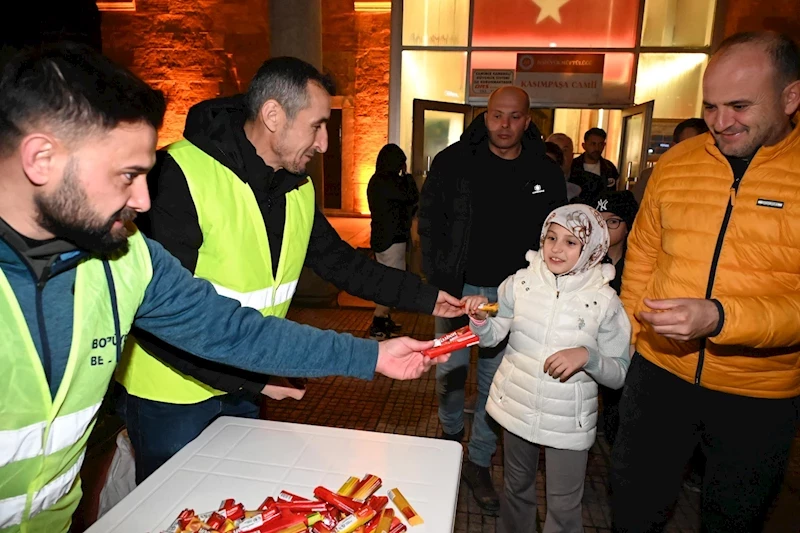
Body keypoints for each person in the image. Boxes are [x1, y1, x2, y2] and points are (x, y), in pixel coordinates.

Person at [0, 43, 447, 533]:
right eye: (127, 175)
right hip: (172, 398)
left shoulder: (128, 260)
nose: (143, 200)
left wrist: (374, 355)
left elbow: (233, 329)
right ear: (41, 159)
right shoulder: (161, 204)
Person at [118, 57, 463, 484]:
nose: (324, 144)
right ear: (273, 115)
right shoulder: (177, 174)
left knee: (235, 505)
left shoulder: (296, 185)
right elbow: (160, 317)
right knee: (174, 512)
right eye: (316, 126)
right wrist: (251, 379)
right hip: (172, 395)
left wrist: (426, 297)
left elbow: (341, 263)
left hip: (248, 376)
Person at [612, 31, 800, 532]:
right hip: (658, 375)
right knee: (632, 508)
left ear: (791, 96)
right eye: (711, 106)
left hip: (758, 394)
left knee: (733, 521)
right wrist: (635, 337)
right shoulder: (675, 165)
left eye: (739, 106)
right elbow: (643, 257)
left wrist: (721, 317)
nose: (720, 122)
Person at [418, 85, 566, 511]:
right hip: (457, 293)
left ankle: (478, 461)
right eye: (497, 115)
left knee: (495, 385)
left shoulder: (545, 171)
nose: (505, 125)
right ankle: (449, 444)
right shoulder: (453, 162)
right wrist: (436, 280)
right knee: (449, 372)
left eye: (514, 116)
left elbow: (554, 237)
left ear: (528, 118)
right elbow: (428, 222)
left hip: (513, 299)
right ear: (485, 115)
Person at [462, 204, 631, 533]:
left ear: (592, 247)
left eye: (571, 242)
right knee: (516, 490)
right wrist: (480, 320)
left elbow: (620, 372)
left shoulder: (605, 301)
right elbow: (493, 336)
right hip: (516, 405)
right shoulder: (519, 283)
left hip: (569, 420)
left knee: (565, 506)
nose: (556, 248)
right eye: (551, 237)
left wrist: (588, 356)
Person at [590, 190, 639, 446]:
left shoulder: (639, 263)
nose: (605, 228)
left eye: (613, 221)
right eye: (599, 220)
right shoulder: (583, 260)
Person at [367, 143, 419, 339]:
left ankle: (384, 319)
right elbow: (412, 196)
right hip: (391, 239)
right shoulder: (389, 182)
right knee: (391, 281)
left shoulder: (377, 180)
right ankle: (378, 322)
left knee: (387, 278)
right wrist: (407, 176)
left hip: (383, 237)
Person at [631, 118, 709, 203]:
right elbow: (635, 212)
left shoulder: (718, 180)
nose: (694, 153)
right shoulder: (652, 176)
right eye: (687, 146)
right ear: (673, 146)